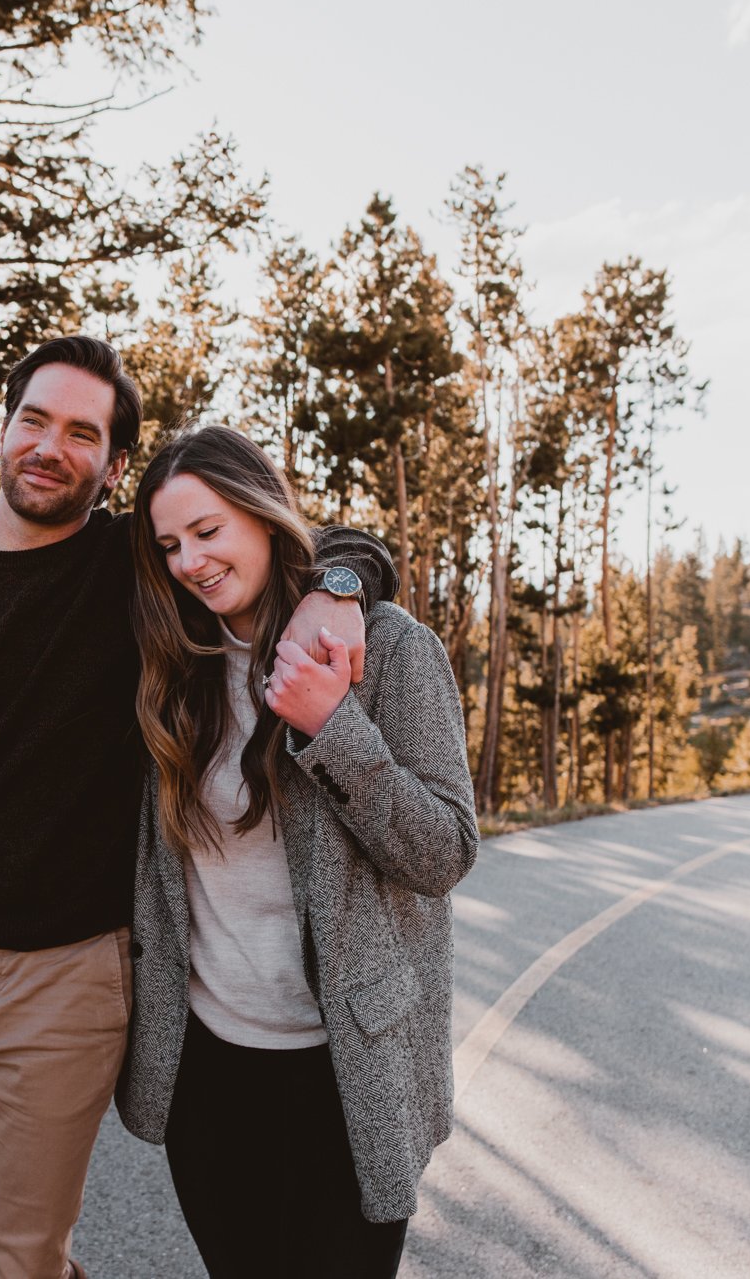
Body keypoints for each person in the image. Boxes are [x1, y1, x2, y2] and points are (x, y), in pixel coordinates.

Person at [0, 336, 397, 1279]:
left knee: (18, 1260)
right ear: (4, 426)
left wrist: (344, 588)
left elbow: (309, 540)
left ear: (110, 467)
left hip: (63, 976)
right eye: (34, 419)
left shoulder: (138, 574)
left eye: (81, 433)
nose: (49, 445)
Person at [117, 424, 477, 1279]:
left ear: (263, 515)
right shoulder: (170, 662)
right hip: (211, 1071)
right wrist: (344, 572)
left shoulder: (385, 648)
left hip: (348, 1070)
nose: (191, 561)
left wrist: (334, 726)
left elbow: (445, 852)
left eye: (208, 531)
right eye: (170, 544)